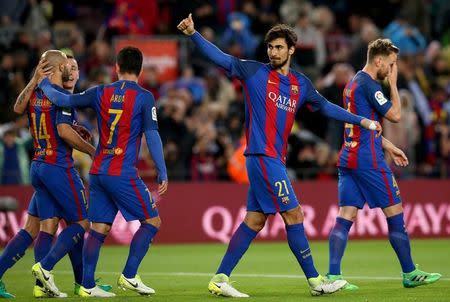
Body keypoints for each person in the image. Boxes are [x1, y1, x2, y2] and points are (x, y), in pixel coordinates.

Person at [177, 14, 382, 297]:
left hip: (272, 159)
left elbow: (326, 107)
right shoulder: (253, 72)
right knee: (293, 214)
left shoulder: (300, 84)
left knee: (255, 220)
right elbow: (221, 58)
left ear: (291, 49)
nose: (273, 52)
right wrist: (193, 34)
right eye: (270, 47)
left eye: (278, 47)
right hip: (262, 157)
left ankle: (220, 278)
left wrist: (361, 120)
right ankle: (315, 281)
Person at [37, 46, 168, 297]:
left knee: (99, 228)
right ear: (140, 69)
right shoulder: (144, 97)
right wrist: (162, 170)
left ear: (116, 68)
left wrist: (43, 82)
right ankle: (129, 275)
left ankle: (87, 285)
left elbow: (64, 99)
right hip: (122, 172)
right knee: (152, 221)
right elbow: (152, 135)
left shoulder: (100, 91)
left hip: (98, 171)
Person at [328, 38, 441, 289]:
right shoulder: (370, 85)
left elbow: (364, 126)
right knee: (395, 214)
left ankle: (333, 276)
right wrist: (393, 83)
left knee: (345, 215)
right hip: (369, 162)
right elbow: (396, 116)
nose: (392, 68)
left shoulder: (352, 83)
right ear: (378, 61)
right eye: (391, 64)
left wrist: (389, 146)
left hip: (349, 157)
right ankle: (410, 273)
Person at [0, 50, 96, 299]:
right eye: (66, 65)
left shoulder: (35, 94)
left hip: (38, 165)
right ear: (57, 68)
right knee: (81, 222)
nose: (69, 69)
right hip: (57, 167)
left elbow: (17, 107)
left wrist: (33, 81)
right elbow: (63, 131)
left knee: (38, 227)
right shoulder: (61, 97)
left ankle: (42, 286)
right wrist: (92, 151)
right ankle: (48, 270)